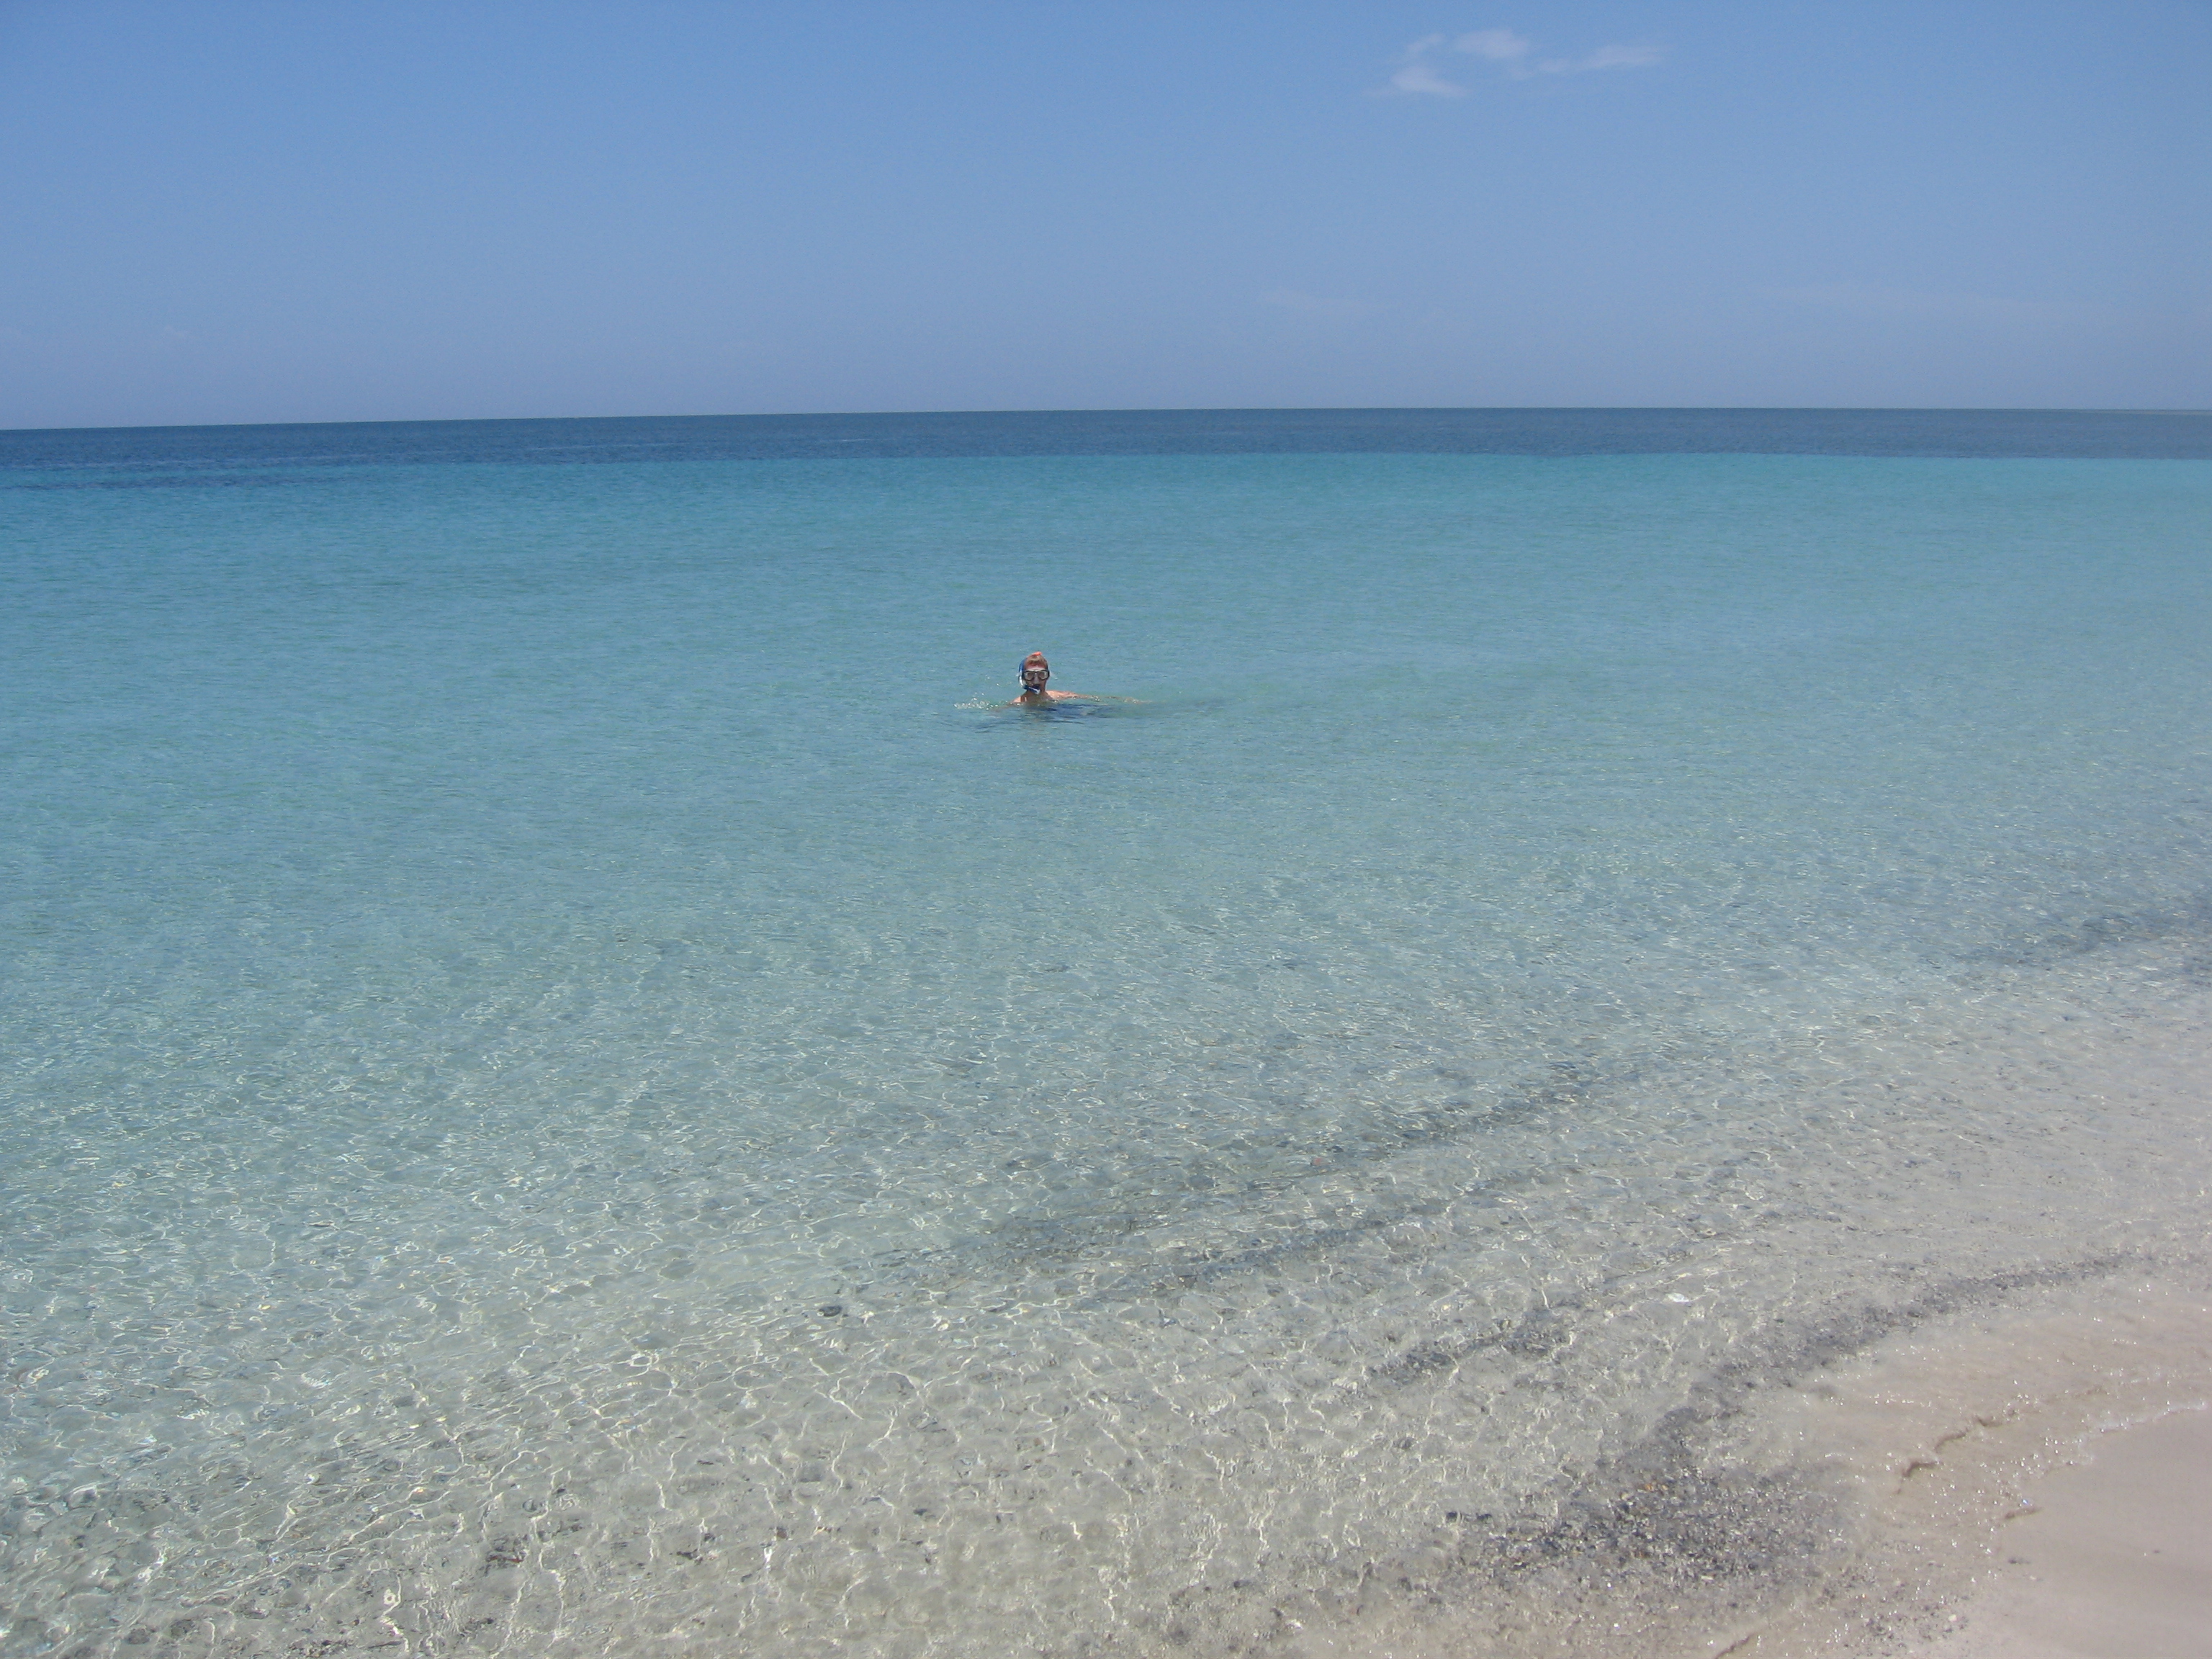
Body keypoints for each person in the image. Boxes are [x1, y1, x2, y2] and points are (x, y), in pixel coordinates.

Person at [1010, 651, 1094, 705]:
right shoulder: (1018, 704)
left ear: (1048, 676)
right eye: (1030, 675)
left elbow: (1092, 699)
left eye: (1041, 674)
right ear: (1023, 678)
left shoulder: (1058, 696)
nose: (1036, 680)